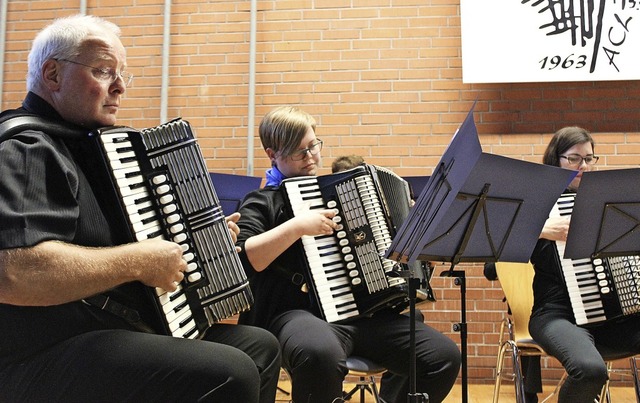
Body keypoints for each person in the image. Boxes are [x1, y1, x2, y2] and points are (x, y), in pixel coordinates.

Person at [0, 14, 280, 403]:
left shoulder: (93, 149)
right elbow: (16, 272)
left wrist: (198, 241)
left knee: (258, 347)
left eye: (122, 75)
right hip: (42, 350)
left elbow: (113, 236)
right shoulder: (26, 148)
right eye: (103, 71)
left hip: (108, 328)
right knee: (229, 372)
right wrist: (137, 261)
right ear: (52, 75)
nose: (118, 87)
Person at [235, 105, 461, 403]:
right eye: (299, 152)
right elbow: (248, 256)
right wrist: (297, 226)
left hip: (360, 313)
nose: (312, 157)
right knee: (319, 353)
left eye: (313, 146)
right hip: (293, 314)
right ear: (271, 154)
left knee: (443, 357)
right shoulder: (263, 201)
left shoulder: (339, 192)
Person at [529, 126, 640, 402]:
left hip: (612, 314)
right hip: (556, 315)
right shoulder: (538, 205)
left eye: (589, 158)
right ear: (556, 160)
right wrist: (540, 229)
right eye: (575, 158)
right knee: (590, 370)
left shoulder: (609, 203)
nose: (584, 166)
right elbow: (496, 255)